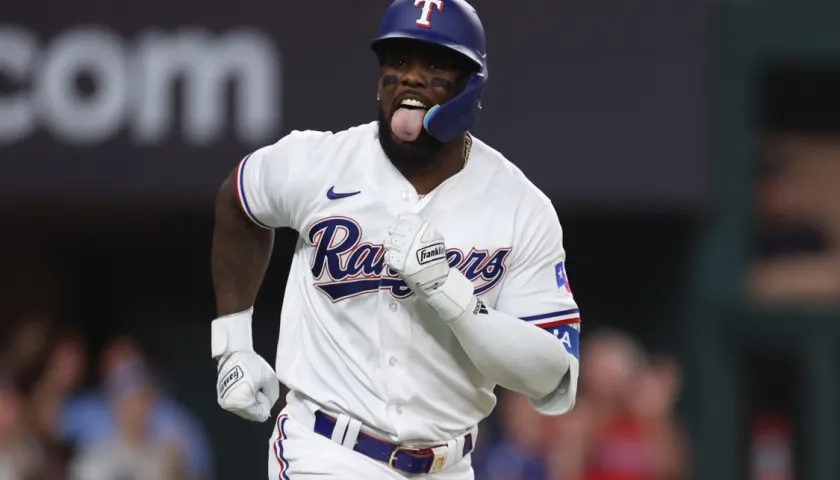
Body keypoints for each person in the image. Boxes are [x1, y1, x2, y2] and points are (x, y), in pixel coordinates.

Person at [209, 1, 582, 478]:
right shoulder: (322, 162)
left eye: (434, 64)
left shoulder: (519, 206)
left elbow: (551, 374)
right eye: (399, 61)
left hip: (449, 463)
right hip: (327, 450)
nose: (410, 78)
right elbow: (240, 199)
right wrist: (233, 344)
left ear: (471, 85)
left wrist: (454, 297)